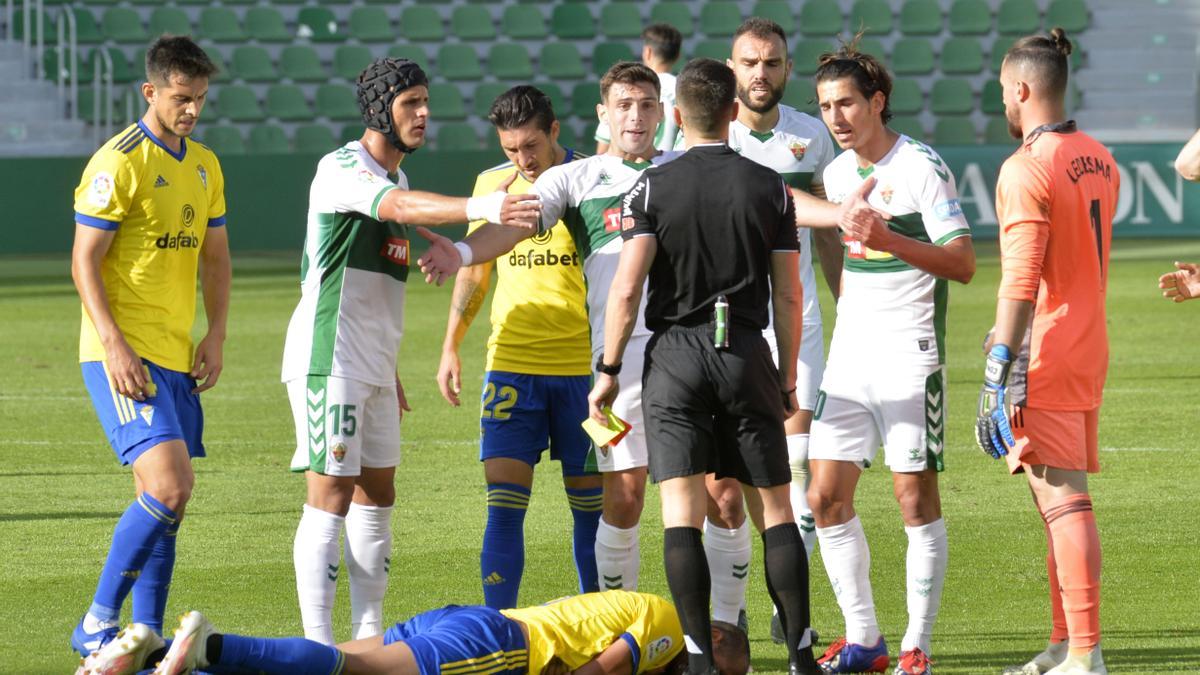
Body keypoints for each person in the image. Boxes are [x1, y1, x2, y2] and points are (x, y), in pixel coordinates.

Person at [281, 57, 540, 645]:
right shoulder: (344, 168)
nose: (423, 114)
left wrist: (389, 366)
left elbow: (374, 275)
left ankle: (368, 637)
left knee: (379, 493)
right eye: (410, 104)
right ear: (379, 110)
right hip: (330, 356)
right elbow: (396, 210)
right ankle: (319, 646)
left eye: (426, 101)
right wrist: (483, 207)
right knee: (331, 493)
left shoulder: (395, 181)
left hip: (371, 364)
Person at [588, 57, 824, 675]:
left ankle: (697, 657)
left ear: (672, 116)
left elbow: (627, 288)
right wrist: (789, 374)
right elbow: (790, 293)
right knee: (774, 507)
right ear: (731, 113)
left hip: (674, 356)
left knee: (680, 512)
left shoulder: (652, 186)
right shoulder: (769, 186)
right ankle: (800, 654)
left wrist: (609, 368)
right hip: (746, 350)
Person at [806, 40, 976, 675]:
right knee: (824, 497)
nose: (836, 117)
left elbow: (962, 263)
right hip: (850, 358)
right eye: (825, 106)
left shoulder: (921, 168)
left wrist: (890, 238)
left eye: (846, 103)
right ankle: (865, 642)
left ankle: (916, 647)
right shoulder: (840, 172)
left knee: (913, 498)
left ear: (876, 102)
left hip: (911, 355)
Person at [68, 35, 230, 656]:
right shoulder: (120, 161)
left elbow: (215, 258)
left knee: (166, 501)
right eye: (182, 99)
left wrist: (214, 333)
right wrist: (113, 343)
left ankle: (146, 637)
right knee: (169, 485)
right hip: (122, 353)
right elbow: (84, 261)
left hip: (176, 354)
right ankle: (97, 623)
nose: (192, 111)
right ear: (151, 91)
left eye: (200, 100)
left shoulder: (205, 165)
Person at [698, 17, 844, 639]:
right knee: (725, 487)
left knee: (794, 474)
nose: (761, 73)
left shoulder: (810, 137)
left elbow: (830, 232)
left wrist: (848, 302)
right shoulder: (703, 136)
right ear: (732, 70)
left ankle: (795, 619)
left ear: (788, 71)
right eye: (749, 63)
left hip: (797, 322)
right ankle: (727, 617)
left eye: (773, 63)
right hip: (721, 328)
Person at [979, 29, 1118, 675]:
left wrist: (995, 369)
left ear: (1022, 90)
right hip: (1088, 342)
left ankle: (1086, 653)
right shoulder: (1099, 155)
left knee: (1064, 500)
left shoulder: (1026, 166)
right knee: (1051, 503)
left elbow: (1022, 278)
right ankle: (1065, 644)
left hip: (1047, 353)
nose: (1002, 103)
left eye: (1004, 93)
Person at [434, 85, 601, 609]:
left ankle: (597, 622)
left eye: (531, 145)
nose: (522, 160)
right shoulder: (490, 186)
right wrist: (450, 346)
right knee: (503, 507)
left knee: (591, 509)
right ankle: (495, 629)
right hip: (511, 367)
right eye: (511, 149)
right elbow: (476, 272)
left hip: (586, 374)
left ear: (554, 131)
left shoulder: (592, 178)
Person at [76, 591, 750, 675]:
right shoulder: (668, 624)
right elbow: (592, 674)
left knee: (345, 658)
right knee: (355, 673)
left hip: (472, 622)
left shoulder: (646, 603)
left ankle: (165, 654)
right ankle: (213, 648)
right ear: (715, 646)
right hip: (500, 648)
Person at [595, 24, 683, 155]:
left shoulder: (621, 90)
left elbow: (603, 149)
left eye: (647, 105)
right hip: (670, 167)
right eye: (625, 106)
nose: (636, 116)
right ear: (678, 56)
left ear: (647, 52)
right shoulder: (684, 91)